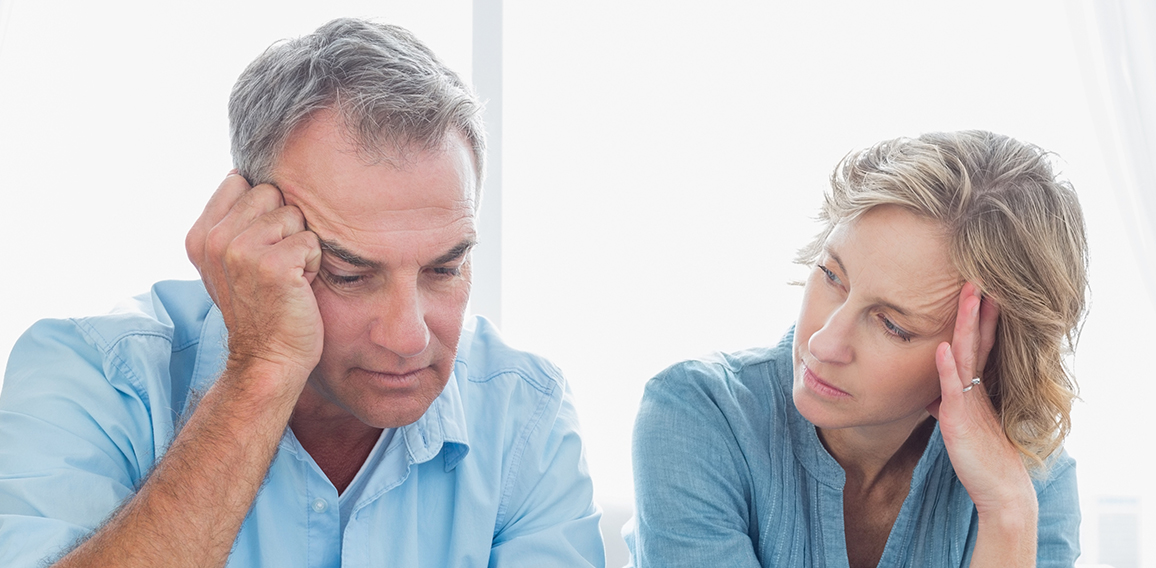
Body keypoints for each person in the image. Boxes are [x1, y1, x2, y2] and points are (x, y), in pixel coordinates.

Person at [0, 18, 604, 567]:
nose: (408, 336)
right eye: (348, 274)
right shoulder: (91, 378)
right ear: (245, 233)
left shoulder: (527, 417)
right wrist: (262, 369)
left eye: (444, 269)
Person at [624, 131, 1087, 567]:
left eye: (891, 325)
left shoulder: (1028, 478)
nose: (823, 344)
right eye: (830, 276)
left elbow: (1018, 499)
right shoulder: (697, 414)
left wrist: (1008, 514)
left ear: (993, 346)